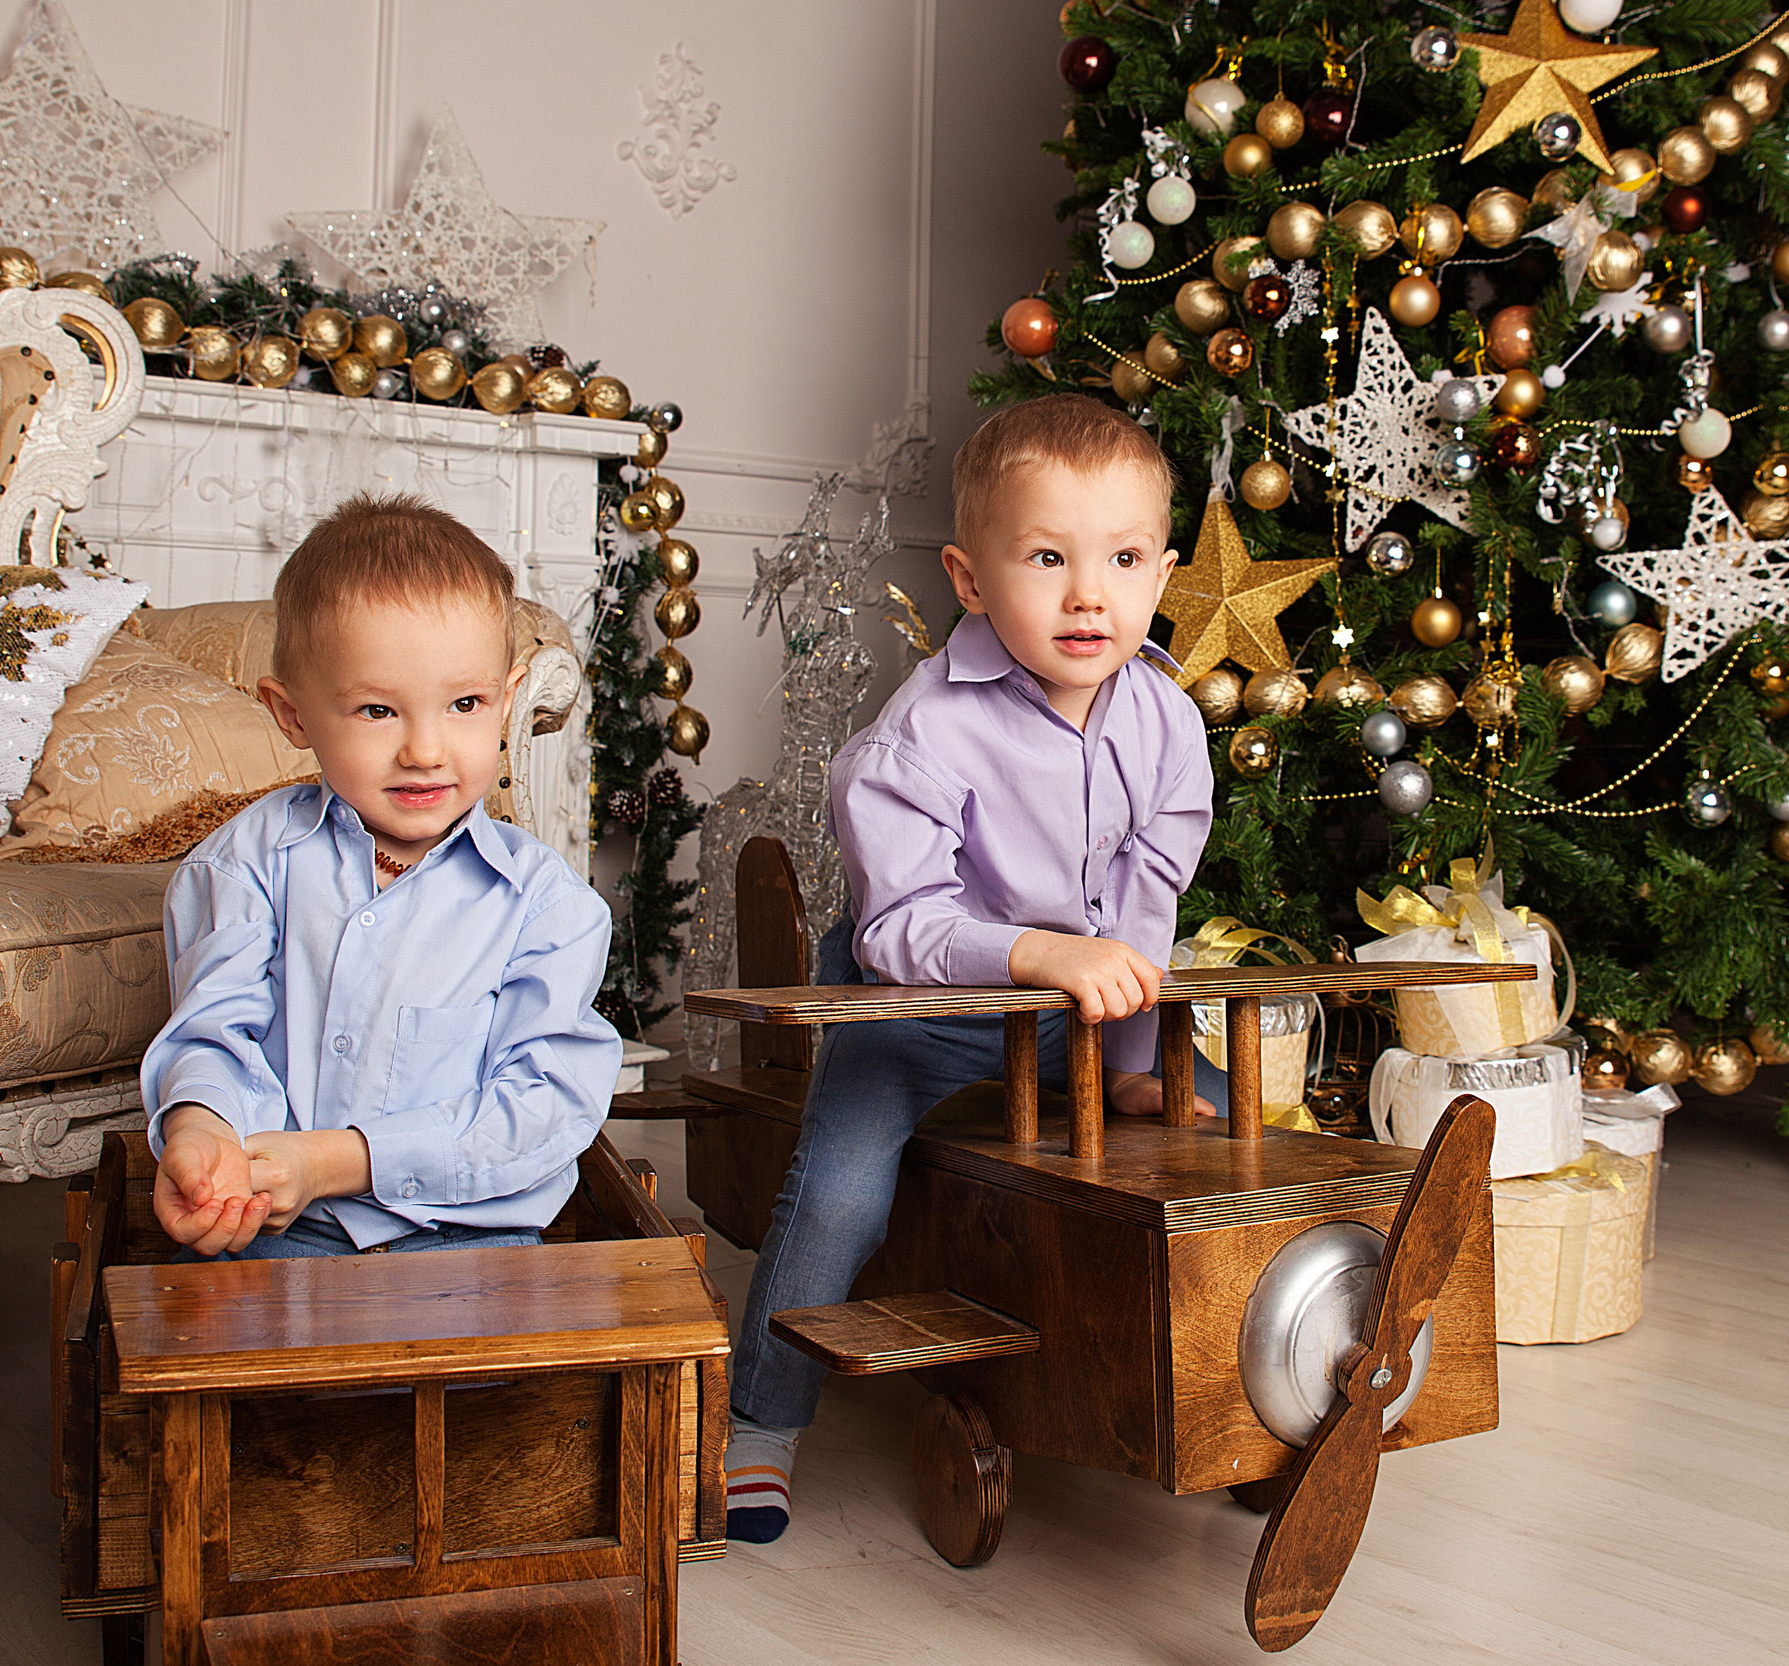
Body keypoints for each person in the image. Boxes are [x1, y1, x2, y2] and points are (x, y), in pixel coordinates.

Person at [722, 396, 1216, 1544]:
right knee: (840, 1189)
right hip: (919, 1004)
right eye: (1046, 557)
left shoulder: (1165, 724)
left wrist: (1135, 1058)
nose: (1088, 593)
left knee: (1205, 1133)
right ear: (970, 576)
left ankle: (1178, 1385)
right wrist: (1039, 952)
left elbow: (1147, 910)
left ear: (1163, 574)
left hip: (1079, 1012)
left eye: (1124, 558)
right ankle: (760, 1422)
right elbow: (899, 928)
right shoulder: (918, 735)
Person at [140, 493, 621, 1260]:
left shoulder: (546, 906)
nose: (426, 749)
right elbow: (213, 1032)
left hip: (467, 1231)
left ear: (508, 697)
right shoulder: (244, 865)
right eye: (376, 711)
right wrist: (202, 1130)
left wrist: (334, 1160)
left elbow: (545, 1105)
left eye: (465, 703)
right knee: (228, 1345)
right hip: (274, 1223)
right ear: (292, 714)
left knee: (485, 1372)